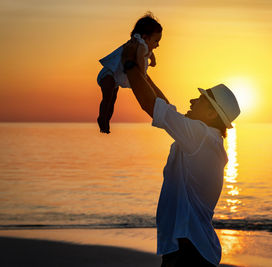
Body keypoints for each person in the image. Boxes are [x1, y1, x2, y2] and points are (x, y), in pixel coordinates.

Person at [121, 40, 241, 266]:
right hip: (188, 247)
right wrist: (142, 71)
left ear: (212, 114)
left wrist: (129, 64)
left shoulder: (201, 137)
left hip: (189, 251)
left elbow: (152, 106)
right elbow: (164, 106)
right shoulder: (204, 138)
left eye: (201, 99)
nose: (192, 100)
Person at [96, 12, 163, 133]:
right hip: (109, 73)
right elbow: (140, 60)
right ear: (145, 37)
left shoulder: (145, 46)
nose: (158, 44)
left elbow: (151, 56)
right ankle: (102, 119)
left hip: (116, 75)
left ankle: (105, 122)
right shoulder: (140, 46)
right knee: (108, 98)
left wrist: (153, 61)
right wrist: (142, 75)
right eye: (156, 40)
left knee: (112, 99)